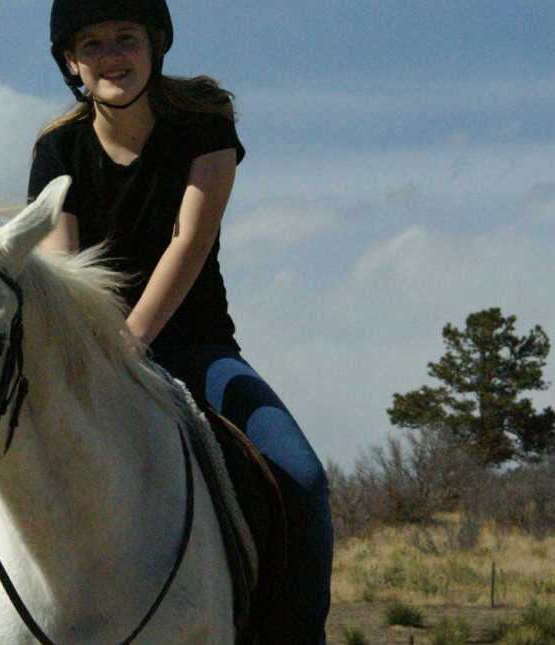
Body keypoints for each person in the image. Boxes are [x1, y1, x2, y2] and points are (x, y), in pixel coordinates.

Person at [27, 1, 334, 643]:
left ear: (156, 43)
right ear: (70, 62)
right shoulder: (57, 149)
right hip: (92, 359)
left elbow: (189, 241)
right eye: (93, 44)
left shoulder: (204, 125)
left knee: (301, 479)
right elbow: (64, 272)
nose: (113, 56)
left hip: (198, 350)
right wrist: (102, 357)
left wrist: (131, 343)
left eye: (127, 38)